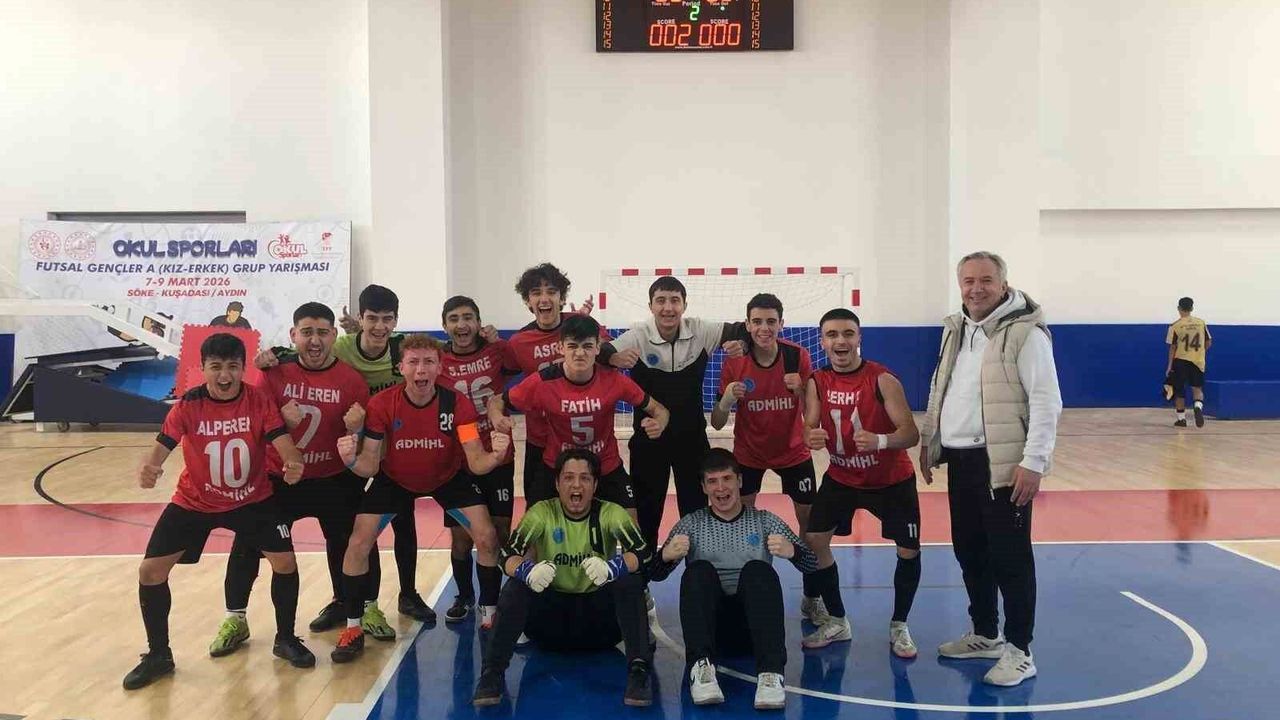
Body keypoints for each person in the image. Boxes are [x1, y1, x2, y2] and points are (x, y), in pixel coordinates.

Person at [123, 333, 312, 690]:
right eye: (216, 367)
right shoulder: (188, 405)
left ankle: (285, 638)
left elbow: (282, 442)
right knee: (150, 571)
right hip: (195, 501)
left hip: (252, 499)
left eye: (232, 367)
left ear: (243, 368)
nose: (224, 375)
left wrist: (293, 461)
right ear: (203, 368)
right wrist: (149, 467)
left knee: (285, 562)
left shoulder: (258, 401)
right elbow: (161, 446)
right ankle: (159, 655)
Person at [918, 250, 1062, 687]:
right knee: (971, 551)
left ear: (1003, 285)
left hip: (1002, 464)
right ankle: (985, 633)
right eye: (968, 281)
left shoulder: (1025, 334)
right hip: (961, 461)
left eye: (985, 280)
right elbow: (942, 387)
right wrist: (930, 441)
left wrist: (1033, 462)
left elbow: (1046, 400)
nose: (976, 289)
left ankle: (1020, 650)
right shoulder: (956, 329)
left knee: (1010, 558)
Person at [331, 334, 511, 662]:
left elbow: (475, 462)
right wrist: (351, 461)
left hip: (447, 478)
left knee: (487, 537)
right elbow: (370, 463)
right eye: (413, 362)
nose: (421, 369)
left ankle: (489, 615)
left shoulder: (458, 404)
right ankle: (353, 627)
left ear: (440, 368)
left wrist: (496, 456)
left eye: (428, 362)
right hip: (395, 479)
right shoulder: (381, 404)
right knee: (357, 543)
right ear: (401, 368)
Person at [211, 303, 374, 656]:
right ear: (293, 335)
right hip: (280, 477)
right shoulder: (272, 373)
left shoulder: (351, 381)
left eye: (322, 332)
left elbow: (360, 441)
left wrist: (357, 429)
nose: (314, 340)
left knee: (348, 542)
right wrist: (283, 423)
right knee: (248, 543)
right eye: (307, 332)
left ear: (334, 335)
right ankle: (235, 618)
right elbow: (250, 427)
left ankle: (348, 605)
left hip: (332, 478)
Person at [472, 449, 654, 708]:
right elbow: (505, 555)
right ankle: (492, 673)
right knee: (516, 586)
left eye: (585, 478)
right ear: (557, 484)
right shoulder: (542, 512)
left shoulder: (611, 512)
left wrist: (613, 568)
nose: (576, 485)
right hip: (549, 626)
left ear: (595, 485)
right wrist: (527, 571)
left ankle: (639, 672)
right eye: (568, 478)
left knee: (630, 580)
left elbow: (644, 553)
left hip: (600, 627)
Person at [650, 448, 817, 710]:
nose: (721, 488)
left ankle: (771, 674)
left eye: (727, 479)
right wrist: (665, 556)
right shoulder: (691, 524)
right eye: (712, 481)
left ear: (739, 481)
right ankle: (701, 670)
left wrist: (793, 551)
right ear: (703, 487)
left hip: (753, 632)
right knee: (697, 571)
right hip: (709, 632)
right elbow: (655, 575)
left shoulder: (765, 521)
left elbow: (812, 564)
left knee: (759, 571)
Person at [800, 309, 923, 659]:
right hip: (842, 477)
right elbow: (808, 426)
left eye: (848, 333)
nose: (840, 341)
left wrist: (881, 440)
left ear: (859, 338)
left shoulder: (882, 379)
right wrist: (810, 436)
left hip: (890, 480)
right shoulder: (816, 381)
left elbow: (910, 434)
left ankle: (899, 625)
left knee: (908, 549)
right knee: (815, 540)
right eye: (832, 334)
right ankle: (837, 619)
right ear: (822, 341)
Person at [600, 276, 747, 554]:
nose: (668, 308)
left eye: (675, 301)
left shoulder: (701, 330)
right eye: (661, 301)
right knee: (646, 516)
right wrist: (612, 358)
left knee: (696, 515)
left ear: (684, 305)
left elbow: (742, 330)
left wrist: (743, 345)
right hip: (649, 441)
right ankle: (643, 576)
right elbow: (602, 351)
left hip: (692, 440)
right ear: (651, 306)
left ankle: (698, 573)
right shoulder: (638, 335)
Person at [709, 293, 823, 619]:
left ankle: (812, 595)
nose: (764, 328)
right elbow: (716, 422)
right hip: (749, 454)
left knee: (810, 525)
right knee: (740, 522)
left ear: (781, 324)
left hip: (793, 453)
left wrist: (802, 390)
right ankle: (743, 591)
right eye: (757, 321)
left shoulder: (796, 356)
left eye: (771, 321)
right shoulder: (735, 362)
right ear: (747, 325)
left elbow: (812, 413)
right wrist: (727, 399)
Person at [489, 314, 669, 515]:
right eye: (573, 346)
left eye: (587, 346)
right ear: (561, 348)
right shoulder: (542, 382)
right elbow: (496, 401)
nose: (580, 353)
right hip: (558, 466)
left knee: (630, 523)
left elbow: (660, 410)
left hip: (605, 465)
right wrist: (497, 418)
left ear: (598, 348)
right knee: (533, 525)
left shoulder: (614, 380)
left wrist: (659, 423)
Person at [439, 295, 520, 623]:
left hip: (498, 456)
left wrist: (498, 340)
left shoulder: (497, 350)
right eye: (454, 318)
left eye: (468, 317)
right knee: (461, 537)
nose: (462, 324)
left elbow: (520, 363)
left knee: (499, 532)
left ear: (478, 322)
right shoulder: (437, 357)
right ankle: (464, 595)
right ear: (445, 325)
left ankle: (495, 598)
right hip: (458, 462)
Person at [502, 263, 597, 505]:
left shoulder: (580, 325)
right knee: (538, 512)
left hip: (581, 441)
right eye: (536, 293)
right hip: (540, 441)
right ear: (528, 301)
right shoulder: (518, 342)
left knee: (586, 511)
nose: (544, 298)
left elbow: (605, 354)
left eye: (552, 291)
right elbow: (500, 378)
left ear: (562, 298)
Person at [1166, 296, 1212, 428]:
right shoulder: (1201, 323)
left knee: (1179, 390)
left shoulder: (1175, 326)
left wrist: (1169, 366)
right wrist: (1200, 352)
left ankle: (1181, 419)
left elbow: (1173, 347)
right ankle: (1198, 406)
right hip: (1197, 361)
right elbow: (1208, 341)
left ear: (1179, 308)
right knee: (1197, 388)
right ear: (1192, 308)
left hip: (1180, 360)